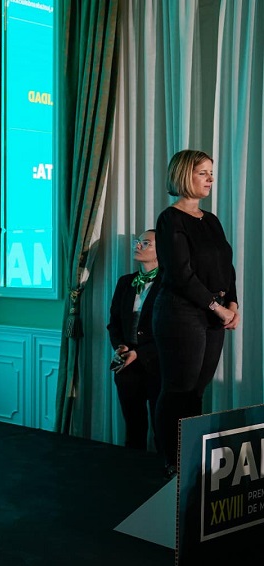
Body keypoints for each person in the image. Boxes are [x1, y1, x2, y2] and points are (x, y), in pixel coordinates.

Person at [153, 149, 239, 479]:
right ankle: (172, 461)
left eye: (211, 173)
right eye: (203, 173)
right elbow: (180, 274)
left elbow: (225, 267)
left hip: (213, 313)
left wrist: (233, 305)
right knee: (178, 390)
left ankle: (191, 457)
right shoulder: (169, 219)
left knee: (197, 392)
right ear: (184, 175)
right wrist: (217, 308)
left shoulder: (211, 219)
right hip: (180, 314)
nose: (210, 179)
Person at [107, 229, 162, 451]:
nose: (138, 246)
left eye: (146, 243)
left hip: (158, 365)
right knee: (133, 429)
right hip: (126, 368)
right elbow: (114, 322)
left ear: (162, 250)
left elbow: (172, 331)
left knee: (163, 431)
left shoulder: (170, 284)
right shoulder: (125, 282)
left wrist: (140, 353)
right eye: (137, 242)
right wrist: (119, 346)